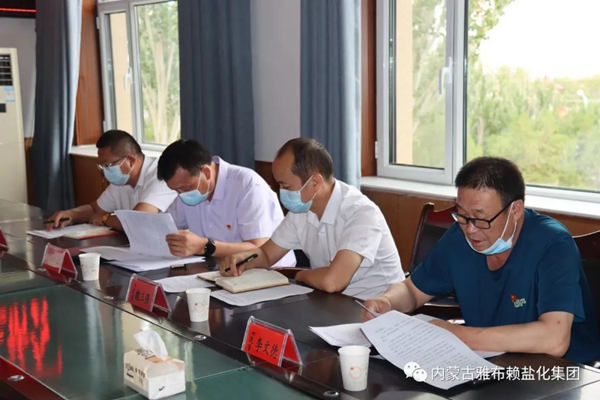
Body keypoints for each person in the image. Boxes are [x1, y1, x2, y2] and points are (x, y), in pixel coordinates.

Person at [362, 157, 600, 364]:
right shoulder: (459, 237)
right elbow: (412, 290)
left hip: (559, 373)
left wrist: (459, 335)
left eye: (480, 218)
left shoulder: (552, 244)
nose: (470, 229)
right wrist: (387, 301)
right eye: (462, 215)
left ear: (515, 210)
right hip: (491, 362)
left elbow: (554, 339)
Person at [220, 138, 405, 300]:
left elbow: (333, 281)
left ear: (315, 182)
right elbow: (267, 255)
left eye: (286, 186)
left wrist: (301, 276)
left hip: (376, 310)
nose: (281, 193)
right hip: (333, 304)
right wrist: (242, 259)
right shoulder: (301, 211)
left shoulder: (361, 212)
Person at [157, 139, 295, 265]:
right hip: (220, 270)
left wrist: (204, 246)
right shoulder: (186, 192)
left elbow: (258, 248)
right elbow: (162, 228)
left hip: (269, 272)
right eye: (176, 190)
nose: (181, 194)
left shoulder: (247, 185)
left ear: (206, 173)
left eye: (185, 188)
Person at [46, 130, 177, 231]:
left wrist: (105, 219)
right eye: (101, 166)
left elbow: (138, 219)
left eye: (107, 165)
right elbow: (97, 209)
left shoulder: (161, 174)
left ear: (130, 161)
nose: (104, 171)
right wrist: (71, 214)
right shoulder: (121, 180)